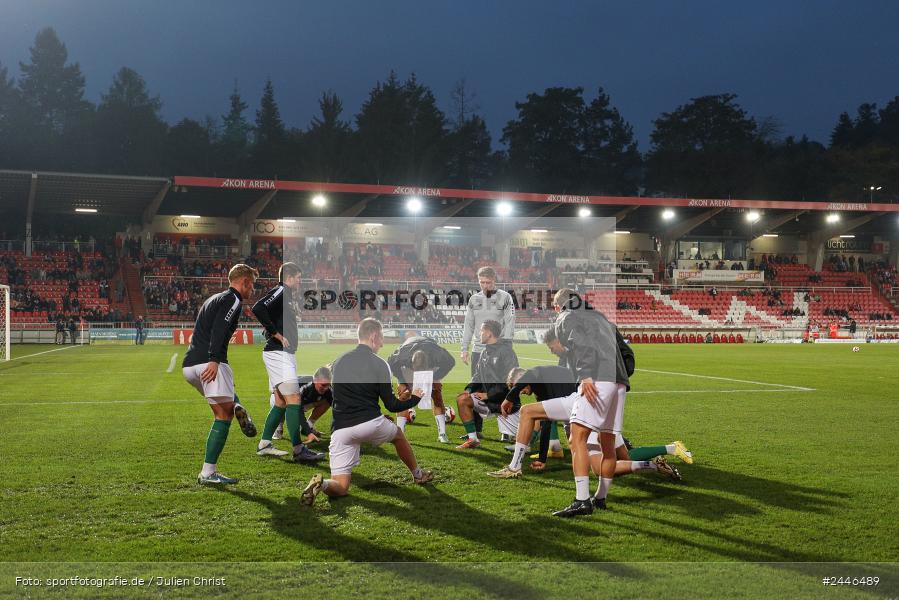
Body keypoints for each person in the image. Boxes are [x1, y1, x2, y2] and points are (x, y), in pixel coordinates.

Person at [301, 319, 434, 505]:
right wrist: (415, 398)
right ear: (373, 336)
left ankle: (321, 484)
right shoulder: (380, 364)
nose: (382, 343)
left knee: (340, 487)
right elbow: (392, 405)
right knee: (398, 435)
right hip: (369, 423)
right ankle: (418, 475)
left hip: (341, 431)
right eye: (381, 338)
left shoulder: (337, 362)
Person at [550, 289, 629, 517]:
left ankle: (581, 500)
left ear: (558, 306)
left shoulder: (567, 316)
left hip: (596, 378)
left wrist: (585, 374)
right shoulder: (601, 318)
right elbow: (626, 352)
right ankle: (600, 498)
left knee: (577, 438)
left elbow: (580, 344)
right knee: (608, 441)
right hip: (619, 381)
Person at [181, 264, 259, 485]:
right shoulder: (233, 300)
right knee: (223, 416)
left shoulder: (212, 299)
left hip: (190, 366)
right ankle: (208, 473)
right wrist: (214, 359)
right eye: (251, 285)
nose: (252, 290)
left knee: (226, 401)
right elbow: (219, 329)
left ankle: (236, 403)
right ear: (244, 281)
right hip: (210, 364)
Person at [252, 262, 324, 463]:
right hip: (279, 353)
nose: (300, 281)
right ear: (289, 277)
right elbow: (258, 308)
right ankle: (299, 450)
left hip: (282, 354)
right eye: (299, 277)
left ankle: (264, 444)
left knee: (281, 402)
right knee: (294, 400)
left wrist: (275, 329)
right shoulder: (282, 290)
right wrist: (276, 334)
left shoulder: (288, 297)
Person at [460, 266, 516, 441]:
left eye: (488, 282)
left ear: (495, 281)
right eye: (481, 282)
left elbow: (510, 320)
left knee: (503, 386)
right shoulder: (473, 299)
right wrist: (464, 348)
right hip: (479, 350)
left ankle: (506, 430)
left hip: (499, 348)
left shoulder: (505, 298)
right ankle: (475, 430)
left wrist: (505, 343)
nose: (485, 285)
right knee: (476, 388)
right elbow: (468, 324)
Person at [455, 320, 520, 449]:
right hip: (488, 401)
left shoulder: (507, 352)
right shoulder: (484, 352)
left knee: (524, 440)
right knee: (462, 399)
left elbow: (511, 381)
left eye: (481, 330)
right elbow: (477, 376)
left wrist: (488, 394)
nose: (479, 333)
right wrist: (468, 389)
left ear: (489, 333)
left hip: (505, 403)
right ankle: (473, 439)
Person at [387, 331, 456, 443]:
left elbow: (451, 362)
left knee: (436, 394)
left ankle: (442, 434)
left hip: (430, 368)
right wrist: (403, 382)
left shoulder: (437, 354)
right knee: (403, 396)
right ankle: (401, 434)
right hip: (407, 369)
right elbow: (390, 365)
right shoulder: (401, 356)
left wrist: (436, 377)